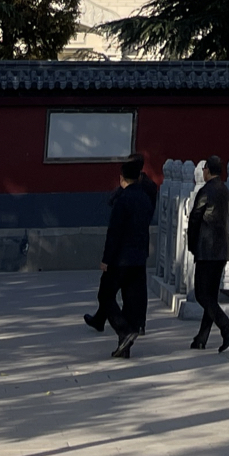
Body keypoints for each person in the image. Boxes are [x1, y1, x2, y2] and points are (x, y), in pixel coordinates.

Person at [85, 153, 156, 357]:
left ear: (122, 178)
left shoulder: (123, 200)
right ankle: (125, 348)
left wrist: (106, 260)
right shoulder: (146, 197)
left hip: (120, 258)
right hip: (139, 256)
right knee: (131, 301)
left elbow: (114, 233)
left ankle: (124, 332)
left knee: (106, 295)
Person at [186, 153, 229, 352]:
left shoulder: (206, 191)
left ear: (208, 170)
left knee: (201, 293)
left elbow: (195, 220)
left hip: (206, 249)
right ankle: (201, 338)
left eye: (204, 168)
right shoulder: (225, 190)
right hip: (222, 249)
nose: (203, 171)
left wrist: (192, 245)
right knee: (210, 296)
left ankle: (227, 327)